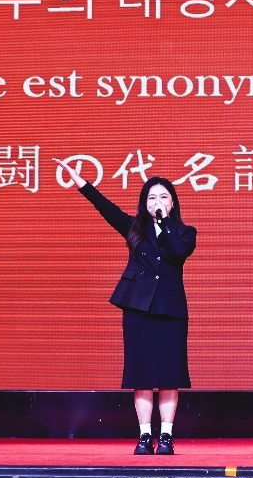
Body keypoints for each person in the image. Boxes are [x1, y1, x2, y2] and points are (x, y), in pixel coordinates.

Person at [54, 159, 197, 455]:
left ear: (173, 203)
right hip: (138, 309)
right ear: (144, 203)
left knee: (169, 376)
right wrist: (81, 183)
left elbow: (178, 251)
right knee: (141, 374)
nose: (157, 202)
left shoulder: (185, 233)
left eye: (163, 197)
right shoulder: (133, 229)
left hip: (170, 311)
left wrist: (165, 222)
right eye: (151, 198)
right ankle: (144, 436)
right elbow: (105, 208)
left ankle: (166, 436)